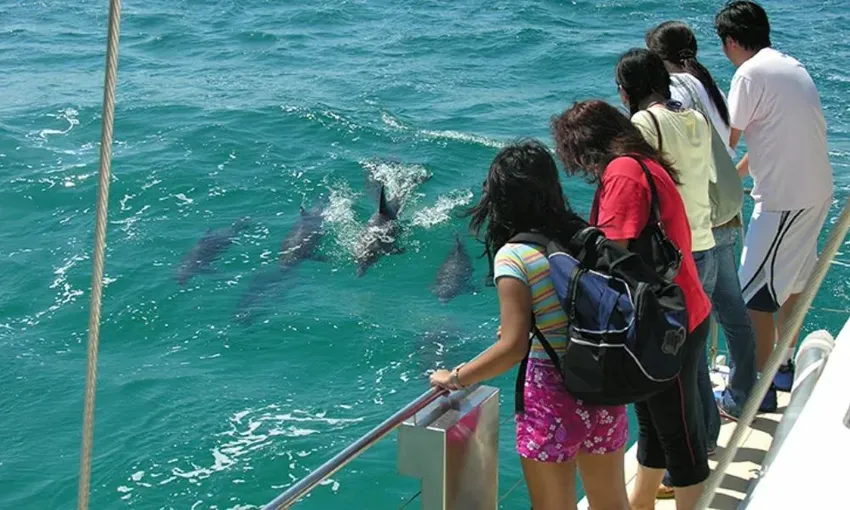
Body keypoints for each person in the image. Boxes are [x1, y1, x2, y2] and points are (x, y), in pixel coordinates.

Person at [429, 140, 630, 510]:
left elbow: (513, 347)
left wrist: (456, 377)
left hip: (552, 398)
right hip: (603, 387)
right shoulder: (582, 235)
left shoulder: (514, 256)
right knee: (613, 504)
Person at [553, 100, 711, 510]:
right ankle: (641, 503)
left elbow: (611, 253)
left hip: (666, 325)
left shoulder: (622, 173)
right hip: (671, 312)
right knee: (655, 426)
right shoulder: (642, 162)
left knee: (679, 433)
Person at [645, 20, 768, 419]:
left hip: (701, 214)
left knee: (695, 319)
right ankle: (745, 393)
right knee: (732, 306)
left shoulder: (675, 89)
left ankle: (705, 426)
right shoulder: (705, 83)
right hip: (726, 207)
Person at [614, 48, 721, 485]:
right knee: (695, 365)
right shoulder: (694, 117)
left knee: (676, 376)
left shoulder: (644, 124)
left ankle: (689, 470)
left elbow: (639, 183)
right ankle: (705, 445)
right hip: (706, 240)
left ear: (629, 89)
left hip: (673, 252)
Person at [716, 1, 834, 393]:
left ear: (731, 41)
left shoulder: (748, 75)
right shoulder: (790, 65)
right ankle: (782, 366)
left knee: (755, 297)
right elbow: (768, 135)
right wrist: (737, 177)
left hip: (785, 200)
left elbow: (728, 139)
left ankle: (755, 391)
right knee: (795, 284)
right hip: (815, 192)